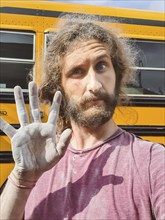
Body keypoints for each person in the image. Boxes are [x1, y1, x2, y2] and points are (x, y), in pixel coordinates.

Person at [0, 15, 165, 220]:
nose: (94, 85)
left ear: (118, 75)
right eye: (77, 71)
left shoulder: (153, 161)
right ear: (58, 87)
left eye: (102, 66)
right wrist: (22, 179)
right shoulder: (38, 162)